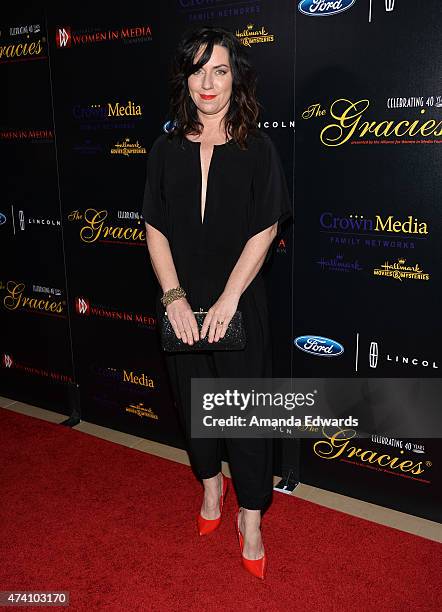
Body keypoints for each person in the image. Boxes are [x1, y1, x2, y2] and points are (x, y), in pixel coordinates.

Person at [142, 25, 292, 580]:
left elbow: (265, 226)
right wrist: (174, 296)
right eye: (198, 69)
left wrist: (230, 297)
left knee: (246, 418)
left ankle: (250, 518)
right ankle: (211, 492)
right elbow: (154, 228)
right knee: (196, 411)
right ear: (186, 77)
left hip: (239, 306)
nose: (208, 83)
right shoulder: (164, 148)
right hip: (181, 304)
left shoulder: (259, 148)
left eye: (220, 69)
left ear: (237, 78)